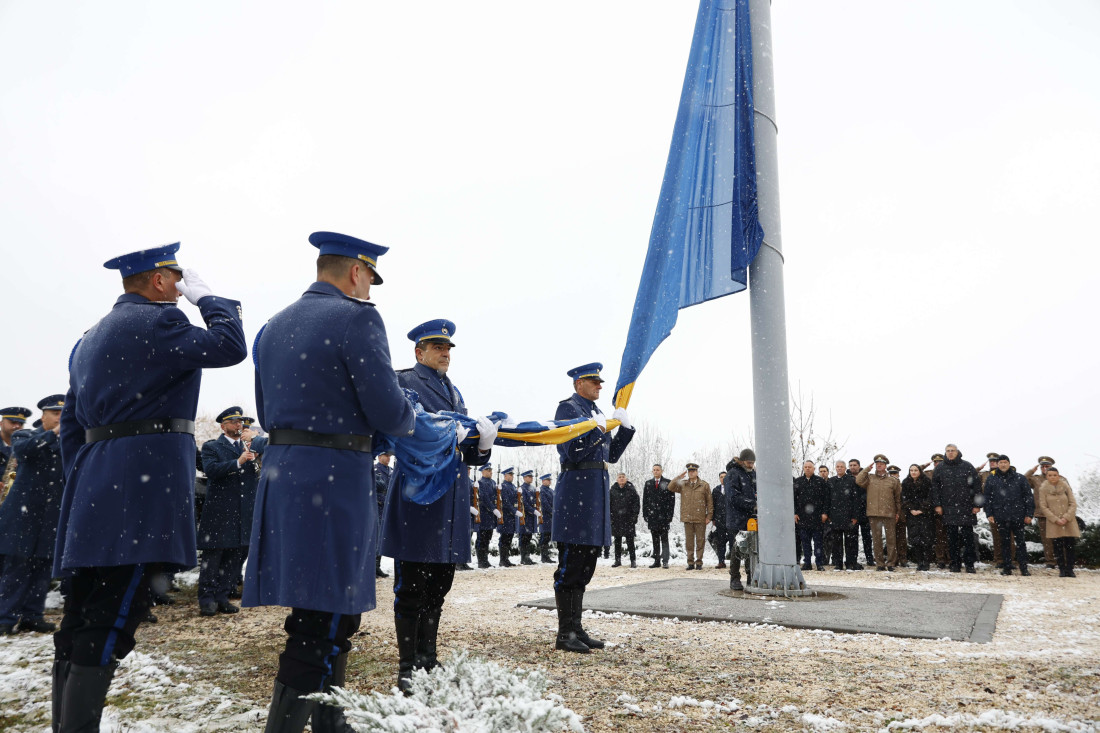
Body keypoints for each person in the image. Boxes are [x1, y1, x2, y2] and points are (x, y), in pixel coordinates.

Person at [52, 243, 246, 731]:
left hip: (95, 478)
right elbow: (230, 347)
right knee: (115, 611)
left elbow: (72, 428)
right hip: (139, 483)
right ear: (159, 281)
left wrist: (90, 474)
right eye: (177, 279)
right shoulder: (160, 322)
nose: (180, 288)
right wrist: (211, 301)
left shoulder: (89, 337)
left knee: (81, 612)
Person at [244, 231, 415, 730]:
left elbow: (265, 407)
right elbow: (387, 408)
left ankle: (329, 721)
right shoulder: (358, 317)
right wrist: (409, 417)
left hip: (287, 473)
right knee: (325, 618)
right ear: (358, 272)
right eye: (369, 279)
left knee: (318, 612)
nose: (369, 290)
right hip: (335, 478)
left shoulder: (274, 324)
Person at [381, 318, 496, 693]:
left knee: (440, 583)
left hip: (451, 497)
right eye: (437, 348)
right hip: (420, 493)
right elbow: (403, 432)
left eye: (447, 349)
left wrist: (482, 445)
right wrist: (449, 432)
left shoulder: (454, 390)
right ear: (419, 352)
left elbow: (465, 453)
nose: (445, 353)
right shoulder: (404, 382)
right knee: (411, 583)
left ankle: (429, 657)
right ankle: (407, 664)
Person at [550, 362, 634, 653]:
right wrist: (598, 430)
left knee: (586, 566)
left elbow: (609, 455)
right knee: (570, 566)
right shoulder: (568, 409)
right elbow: (571, 450)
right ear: (578, 384)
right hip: (576, 495)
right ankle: (564, 633)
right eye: (593, 381)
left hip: (594, 495)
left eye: (600, 382)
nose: (600, 385)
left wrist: (624, 429)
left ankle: (576, 628)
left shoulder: (596, 413)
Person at [0, 396, 64, 635]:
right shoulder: (25, 436)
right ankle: (5, 618)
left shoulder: (67, 441)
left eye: (63, 414)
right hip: (22, 516)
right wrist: (54, 433)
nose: (60, 417)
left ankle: (32, 615)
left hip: (50, 515)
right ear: (43, 417)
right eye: (55, 414)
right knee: (17, 567)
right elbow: (24, 452)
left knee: (42, 568)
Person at [197, 407, 261, 617]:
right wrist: (238, 462)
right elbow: (211, 470)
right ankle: (207, 599)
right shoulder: (212, 446)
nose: (239, 424)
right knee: (213, 558)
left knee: (234, 558)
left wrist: (256, 458)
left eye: (240, 421)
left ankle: (223, 597)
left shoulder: (249, 447)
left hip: (242, 513)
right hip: (220, 512)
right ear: (223, 426)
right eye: (234, 421)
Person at [931, 444, 981, 573]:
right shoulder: (940, 468)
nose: (950, 453)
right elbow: (935, 488)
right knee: (952, 539)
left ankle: (970, 564)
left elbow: (976, 485)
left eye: (952, 451)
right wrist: (937, 505)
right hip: (948, 508)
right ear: (945, 453)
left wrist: (977, 505)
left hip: (966, 507)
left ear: (957, 452)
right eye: (948, 451)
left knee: (968, 538)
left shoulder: (967, 466)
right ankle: (955, 564)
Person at [983, 455, 1034, 576]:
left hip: (1018, 515)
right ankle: (1006, 567)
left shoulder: (1019, 478)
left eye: (1005, 462)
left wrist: (1029, 514)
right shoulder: (992, 478)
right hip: (1000, 515)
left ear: (1009, 464)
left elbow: (1028, 497)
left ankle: (1023, 567)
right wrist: (989, 513)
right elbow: (987, 497)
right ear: (998, 464)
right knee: (1004, 543)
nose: (1003, 465)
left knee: (1020, 543)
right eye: (1000, 462)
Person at [855, 455, 902, 571]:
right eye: (877, 463)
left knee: (891, 540)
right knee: (877, 540)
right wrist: (866, 469)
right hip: (874, 513)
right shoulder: (870, 478)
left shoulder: (893, 480)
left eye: (881, 463)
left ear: (886, 465)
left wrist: (898, 512)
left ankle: (891, 563)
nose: (879, 465)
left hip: (889, 513)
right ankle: (880, 563)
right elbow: (858, 480)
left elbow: (897, 498)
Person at [1037, 466, 1080, 577]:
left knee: (1070, 546)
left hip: (1069, 522)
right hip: (1054, 523)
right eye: (1050, 475)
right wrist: (1055, 519)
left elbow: (1073, 503)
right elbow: (1043, 506)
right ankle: (1061, 569)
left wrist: (1066, 517)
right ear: (1047, 476)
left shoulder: (1065, 487)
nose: (1052, 477)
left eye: (1055, 475)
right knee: (1058, 547)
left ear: (1059, 475)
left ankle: (1070, 569)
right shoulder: (1043, 489)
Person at [724, 449, 757, 590]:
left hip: (751, 518)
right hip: (737, 517)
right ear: (742, 461)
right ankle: (735, 578)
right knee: (737, 548)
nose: (751, 465)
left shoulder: (752, 474)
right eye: (749, 463)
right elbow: (733, 497)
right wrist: (752, 504)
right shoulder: (733, 474)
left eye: (753, 463)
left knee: (752, 548)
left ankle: (751, 577)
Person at [670, 463, 712, 570]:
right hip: (687, 518)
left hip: (700, 518)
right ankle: (690, 563)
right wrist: (679, 477)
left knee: (700, 541)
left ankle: (699, 562)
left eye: (693, 471)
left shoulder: (704, 485)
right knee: (689, 542)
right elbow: (670, 487)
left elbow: (709, 502)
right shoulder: (684, 485)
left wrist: (709, 516)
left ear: (697, 472)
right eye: (689, 471)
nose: (691, 473)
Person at [793, 460, 829, 571]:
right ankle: (807, 563)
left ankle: (819, 563)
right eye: (806, 467)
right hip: (802, 517)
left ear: (814, 469)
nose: (808, 469)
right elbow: (793, 499)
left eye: (810, 467)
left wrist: (825, 513)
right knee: (805, 542)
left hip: (817, 517)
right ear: (803, 469)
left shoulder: (820, 481)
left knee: (818, 542)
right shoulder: (798, 482)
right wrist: (795, 513)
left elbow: (826, 499)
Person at [1026, 457, 1060, 569]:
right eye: (1043, 466)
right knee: (1047, 540)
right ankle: (1050, 562)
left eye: (1047, 466)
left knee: (1060, 538)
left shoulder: (1061, 479)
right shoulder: (1035, 479)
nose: (1045, 468)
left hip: (1058, 514)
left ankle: (1062, 560)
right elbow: (1022, 480)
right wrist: (1032, 470)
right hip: (1042, 514)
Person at [826, 460, 861, 570]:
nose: (839, 468)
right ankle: (838, 563)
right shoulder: (831, 481)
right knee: (837, 542)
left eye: (841, 466)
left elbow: (856, 500)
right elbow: (827, 499)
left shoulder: (851, 480)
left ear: (845, 468)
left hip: (849, 516)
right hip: (835, 516)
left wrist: (855, 516)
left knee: (850, 541)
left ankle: (851, 562)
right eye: (837, 466)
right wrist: (828, 515)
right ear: (835, 468)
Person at [901, 464, 935, 571]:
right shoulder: (906, 482)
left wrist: (922, 509)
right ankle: (919, 562)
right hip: (912, 515)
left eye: (915, 470)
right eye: (911, 470)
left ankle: (926, 562)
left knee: (926, 539)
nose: (913, 472)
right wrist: (911, 509)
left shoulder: (927, 482)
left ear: (920, 471)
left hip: (925, 514)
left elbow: (930, 497)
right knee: (915, 539)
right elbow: (904, 498)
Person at [642, 464, 674, 568]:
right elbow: (645, 500)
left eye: (658, 470)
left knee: (664, 539)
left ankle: (665, 561)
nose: (656, 472)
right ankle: (656, 561)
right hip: (652, 516)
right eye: (654, 470)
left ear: (662, 471)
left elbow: (671, 500)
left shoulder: (668, 482)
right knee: (655, 539)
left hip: (664, 516)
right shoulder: (648, 483)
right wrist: (645, 514)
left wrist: (670, 515)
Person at [922, 452, 949, 568]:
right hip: (931, 509)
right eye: (935, 462)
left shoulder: (948, 473)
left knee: (947, 535)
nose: (937, 464)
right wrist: (924, 465)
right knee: (936, 536)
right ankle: (940, 559)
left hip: (947, 508)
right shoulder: (928, 474)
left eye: (940, 462)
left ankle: (950, 558)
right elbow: (914, 472)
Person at [609, 473, 640, 568]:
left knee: (630, 541)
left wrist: (634, 516)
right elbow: (608, 504)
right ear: (617, 479)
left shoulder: (631, 489)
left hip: (628, 519)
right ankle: (617, 560)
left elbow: (636, 503)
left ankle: (633, 560)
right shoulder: (612, 490)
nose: (621, 479)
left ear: (626, 479)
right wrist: (610, 517)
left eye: (623, 477)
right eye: (619, 477)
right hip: (616, 519)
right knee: (617, 541)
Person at [849, 458, 874, 568]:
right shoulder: (847, 478)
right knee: (852, 538)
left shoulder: (866, 476)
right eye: (851, 465)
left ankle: (870, 559)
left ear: (859, 466)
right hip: (852, 512)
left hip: (865, 511)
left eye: (855, 465)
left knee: (867, 537)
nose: (853, 467)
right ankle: (853, 559)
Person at [373, 451, 394, 578]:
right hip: (378, 508)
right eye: (386, 456)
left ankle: (377, 566)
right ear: (380, 456)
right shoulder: (375, 470)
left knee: (382, 539)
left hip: (387, 509)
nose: (388, 458)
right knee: (376, 537)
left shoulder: (391, 471)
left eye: (390, 456)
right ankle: (373, 568)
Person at [475, 465, 498, 569]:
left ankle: (485, 560)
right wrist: (493, 509)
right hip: (484, 514)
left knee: (488, 538)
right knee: (482, 538)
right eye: (488, 470)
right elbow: (484, 499)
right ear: (482, 471)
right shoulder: (481, 483)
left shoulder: (493, 482)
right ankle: (481, 561)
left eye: (491, 470)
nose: (490, 472)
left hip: (491, 516)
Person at [515, 470, 539, 566]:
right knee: (524, 537)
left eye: (531, 476)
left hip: (531, 517)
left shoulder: (533, 488)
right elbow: (524, 503)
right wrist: (533, 511)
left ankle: (527, 556)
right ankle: (523, 557)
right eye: (529, 477)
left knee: (528, 537)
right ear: (524, 478)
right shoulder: (522, 489)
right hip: (525, 516)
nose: (531, 478)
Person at [886, 464, 908, 566]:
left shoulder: (903, 485)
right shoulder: (886, 486)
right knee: (891, 539)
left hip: (901, 515)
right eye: (891, 473)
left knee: (902, 538)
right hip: (889, 514)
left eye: (895, 473)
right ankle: (893, 559)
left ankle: (903, 558)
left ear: (898, 475)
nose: (893, 475)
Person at [497, 467, 518, 567]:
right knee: (504, 538)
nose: (512, 476)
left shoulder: (513, 486)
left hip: (511, 517)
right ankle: (502, 560)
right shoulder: (503, 486)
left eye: (512, 475)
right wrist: (515, 511)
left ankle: (506, 559)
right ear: (505, 476)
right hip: (505, 516)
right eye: (510, 475)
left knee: (509, 537)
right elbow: (505, 502)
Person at [709, 471, 729, 569]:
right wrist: (713, 518)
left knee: (732, 541)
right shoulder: (716, 490)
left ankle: (734, 562)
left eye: (725, 477)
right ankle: (721, 561)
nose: (723, 478)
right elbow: (712, 505)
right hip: (719, 520)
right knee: (721, 541)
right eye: (721, 477)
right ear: (719, 478)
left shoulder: (733, 488)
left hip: (731, 520)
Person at [536, 474, 555, 563]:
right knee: (545, 537)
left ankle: (546, 556)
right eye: (548, 480)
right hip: (546, 517)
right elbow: (545, 504)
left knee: (548, 537)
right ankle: (544, 557)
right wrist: (552, 512)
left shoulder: (551, 490)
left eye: (550, 480)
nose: (549, 481)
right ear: (543, 481)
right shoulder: (542, 491)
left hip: (551, 518)